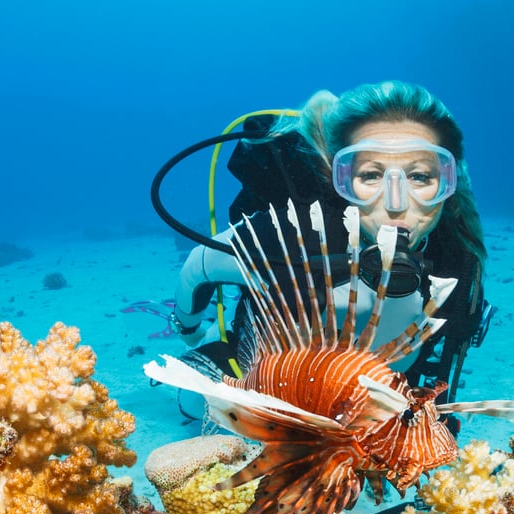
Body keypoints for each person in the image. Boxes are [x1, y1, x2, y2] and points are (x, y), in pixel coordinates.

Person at [163, 80, 494, 421]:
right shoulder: (294, 232)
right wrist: (188, 329)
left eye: (421, 176)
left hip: (369, 399)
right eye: (371, 175)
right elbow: (199, 266)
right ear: (340, 178)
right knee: (196, 406)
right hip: (265, 372)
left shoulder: (458, 260)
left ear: (449, 180)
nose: (397, 204)